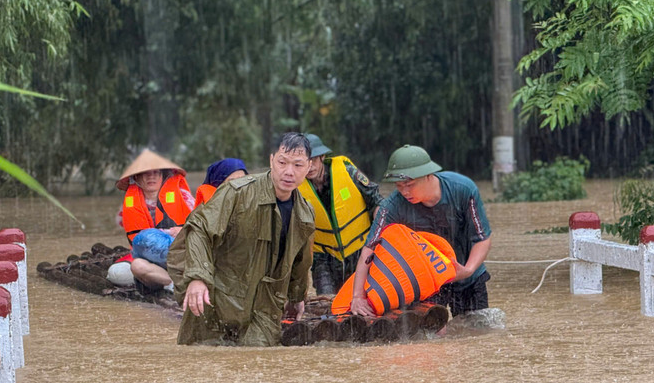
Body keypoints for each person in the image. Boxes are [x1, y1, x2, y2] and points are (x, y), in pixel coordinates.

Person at [169, 133, 315, 346]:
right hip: (216, 298)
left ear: (309, 167)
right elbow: (199, 229)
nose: (289, 172)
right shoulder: (237, 192)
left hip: (264, 309)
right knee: (200, 362)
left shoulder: (305, 214)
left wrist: (296, 297)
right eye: (282, 162)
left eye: (298, 165)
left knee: (257, 363)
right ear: (271, 160)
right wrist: (197, 278)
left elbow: (300, 262)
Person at [348, 144, 492, 318]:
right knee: (431, 335)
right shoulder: (393, 206)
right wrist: (358, 296)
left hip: (468, 277)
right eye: (399, 186)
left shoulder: (463, 189)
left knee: (476, 331)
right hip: (426, 282)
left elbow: (482, 238)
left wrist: (467, 270)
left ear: (429, 176)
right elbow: (369, 249)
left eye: (409, 184)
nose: (405, 192)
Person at [298, 133, 382, 295]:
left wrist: (378, 239)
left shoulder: (348, 172)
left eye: (313, 160)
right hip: (323, 256)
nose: (310, 167)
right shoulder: (295, 187)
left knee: (365, 299)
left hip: (360, 249)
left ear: (322, 157)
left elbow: (377, 202)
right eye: (303, 162)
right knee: (327, 301)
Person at [112, 149, 195, 290]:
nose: (151, 177)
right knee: (117, 273)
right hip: (149, 259)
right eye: (146, 173)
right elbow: (122, 225)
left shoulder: (183, 196)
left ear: (163, 175)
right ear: (136, 178)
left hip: (180, 255)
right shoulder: (130, 202)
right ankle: (171, 282)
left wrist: (183, 230)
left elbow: (201, 226)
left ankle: (174, 279)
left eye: (156, 172)